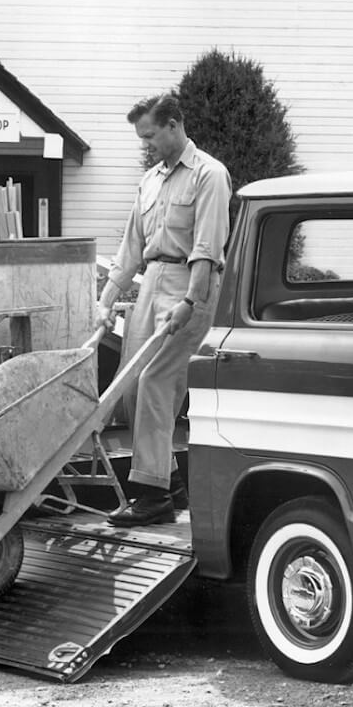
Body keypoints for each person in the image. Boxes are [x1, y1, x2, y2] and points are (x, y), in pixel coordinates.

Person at [95, 93, 230, 527]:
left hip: (190, 286)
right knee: (131, 383)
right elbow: (131, 246)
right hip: (151, 283)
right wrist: (107, 298)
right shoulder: (150, 179)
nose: (146, 145)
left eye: (151, 136)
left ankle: (150, 496)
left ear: (174, 125)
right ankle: (170, 484)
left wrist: (191, 302)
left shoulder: (209, 175)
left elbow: (207, 249)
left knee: (157, 382)